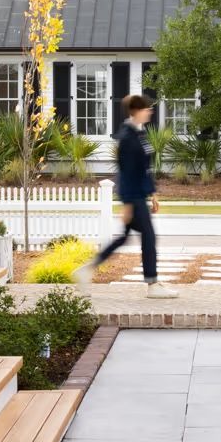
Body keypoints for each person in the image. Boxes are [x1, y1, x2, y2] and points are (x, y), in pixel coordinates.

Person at [76, 94, 179, 297]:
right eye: (146, 109)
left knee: (124, 238)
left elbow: (144, 168)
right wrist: (127, 203)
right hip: (134, 197)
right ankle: (153, 285)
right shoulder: (127, 137)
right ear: (136, 111)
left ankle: (86, 270)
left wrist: (153, 193)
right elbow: (126, 172)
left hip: (140, 195)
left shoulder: (138, 133)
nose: (150, 111)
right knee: (148, 236)